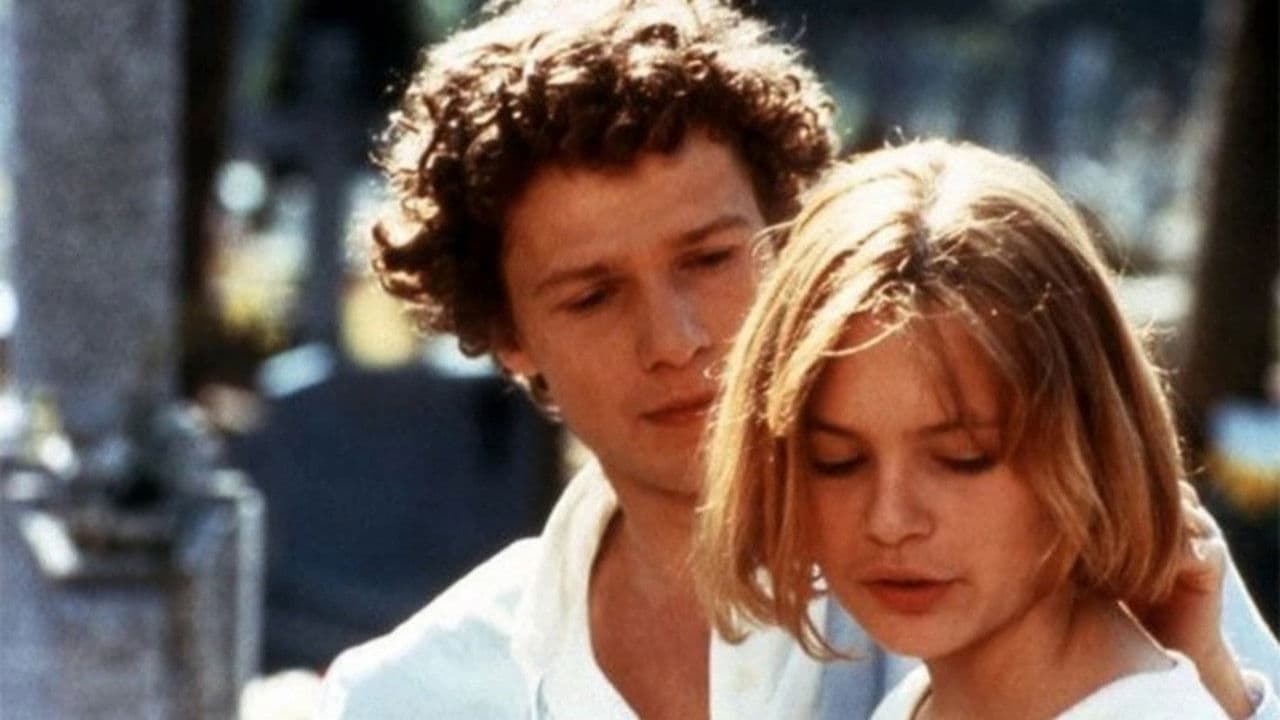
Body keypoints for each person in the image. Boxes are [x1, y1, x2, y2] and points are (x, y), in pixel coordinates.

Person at [316, 1, 1280, 718]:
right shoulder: (417, 696)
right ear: (510, 333)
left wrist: (1216, 689)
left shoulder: (1047, 559)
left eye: (710, 259)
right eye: (593, 296)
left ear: (793, 240)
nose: (676, 340)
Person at [694, 139, 1274, 719]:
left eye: (961, 458)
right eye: (838, 460)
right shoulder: (916, 701)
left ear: (1089, 445)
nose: (889, 520)